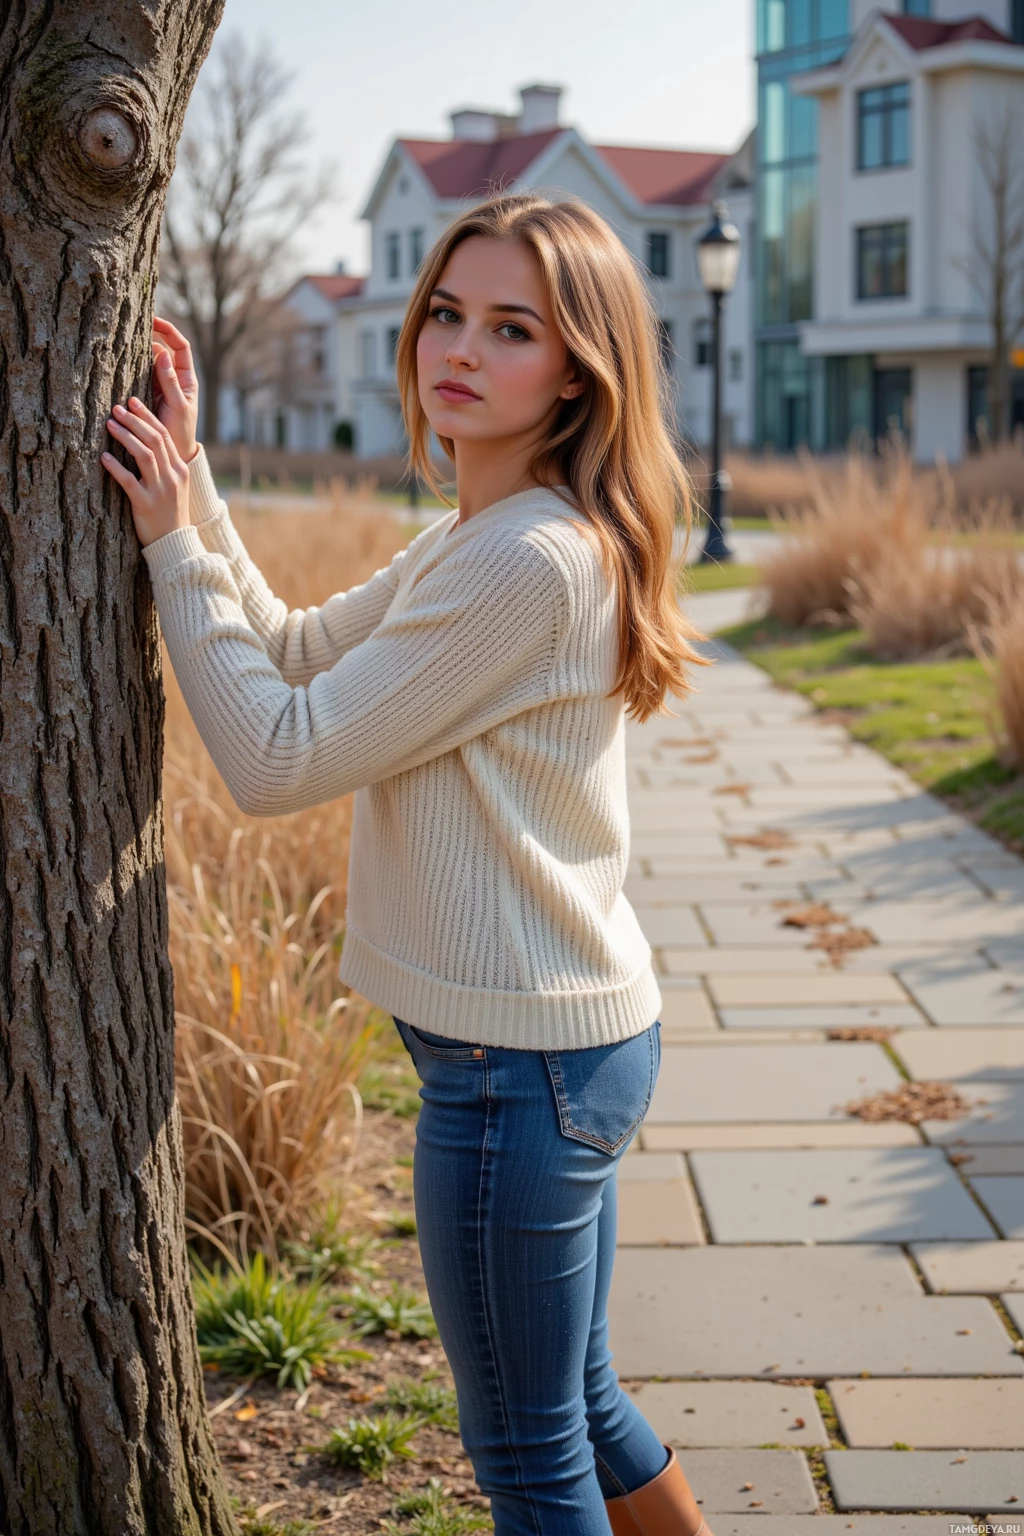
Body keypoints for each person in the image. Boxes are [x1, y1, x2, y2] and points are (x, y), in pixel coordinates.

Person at [102, 193, 711, 1536]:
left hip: (519, 1071)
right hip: (563, 1043)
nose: (461, 349)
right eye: (446, 312)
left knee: (532, 1459)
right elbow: (296, 650)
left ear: (579, 371)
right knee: (583, 1406)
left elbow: (276, 757)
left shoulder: (527, 562)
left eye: (513, 328)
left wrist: (167, 547)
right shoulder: (485, 536)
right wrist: (190, 481)